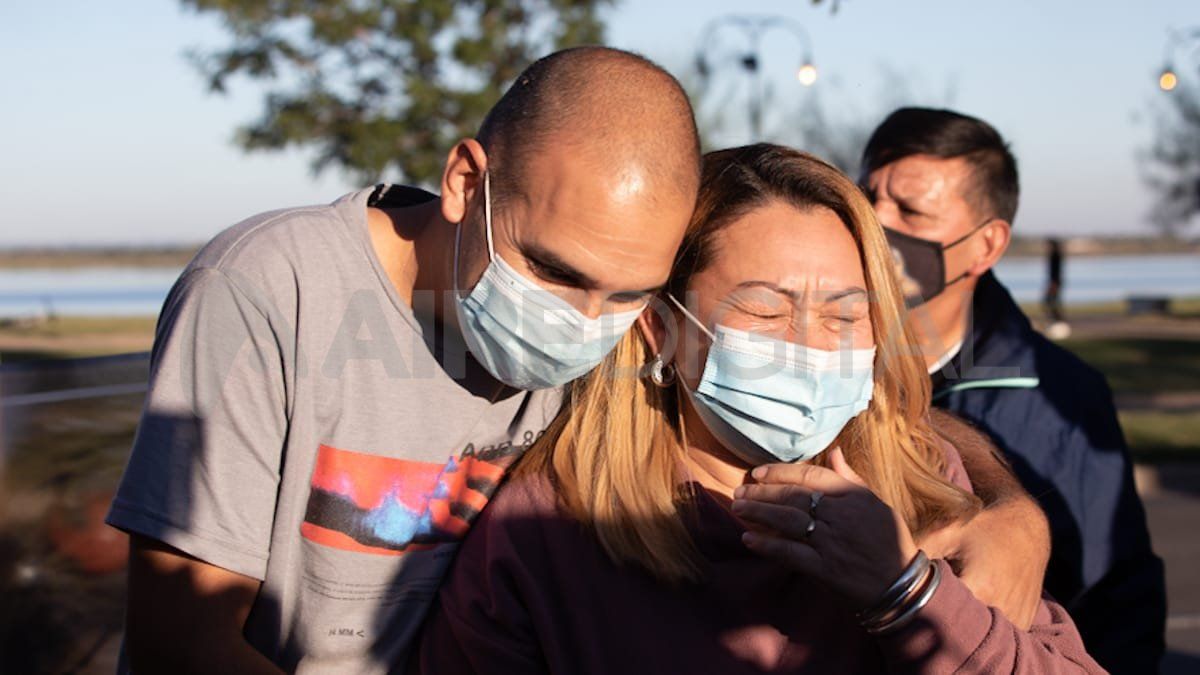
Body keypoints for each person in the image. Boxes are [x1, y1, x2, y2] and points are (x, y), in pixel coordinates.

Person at [106, 47, 703, 673]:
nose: (585, 323)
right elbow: (180, 646)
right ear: (466, 184)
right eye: (552, 271)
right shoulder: (269, 288)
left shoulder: (623, 342)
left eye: (630, 293)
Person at [413, 144, 1103, 674]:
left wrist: (909, 593)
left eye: (847, 313)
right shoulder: (547, 531)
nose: (810, 346)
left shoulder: (922, 481)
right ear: (661, 329)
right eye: (767, 309)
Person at [860, 107, 1166, 673]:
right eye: (867, 195)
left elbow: (1114, 599)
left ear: (986, 246)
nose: (875, 221)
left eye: (910, 210)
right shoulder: (818, 361)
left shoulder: (1067, 399)